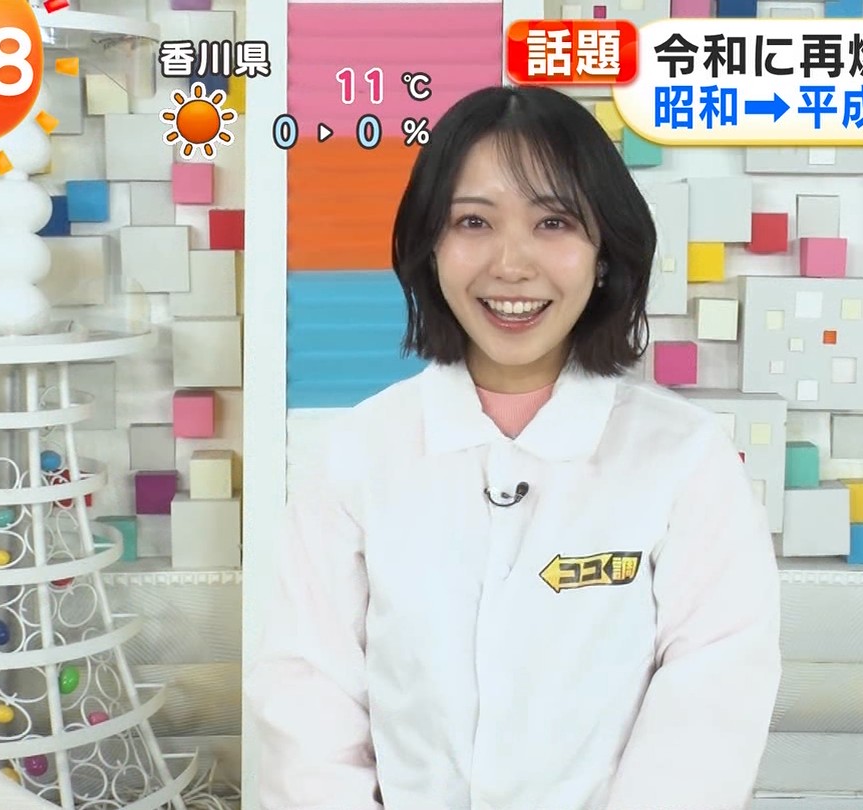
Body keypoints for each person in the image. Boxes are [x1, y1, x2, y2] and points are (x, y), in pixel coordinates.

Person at [245, 85, 782, 809]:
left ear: (603, 253)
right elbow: (308, 697)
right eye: (474, 221)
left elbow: (711, 700)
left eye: (553, 222)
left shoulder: (684, 458)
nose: (511, 264)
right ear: (431, 246)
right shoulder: (358, 453)